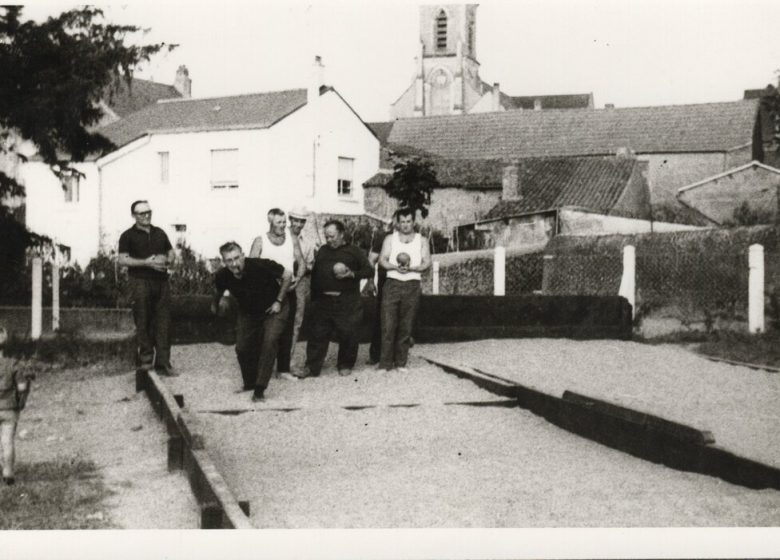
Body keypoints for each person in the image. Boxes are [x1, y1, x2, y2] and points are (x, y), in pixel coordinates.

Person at [213, 242, 292, 402]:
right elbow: (218, 290)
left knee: (269, 341)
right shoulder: (222, 275)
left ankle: (259, 390)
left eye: (237, 258)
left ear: (243, 255)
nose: (235, 264)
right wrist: (216, 305)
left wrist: (278, 300)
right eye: (229, 260)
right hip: (249, 312)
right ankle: (249, 383)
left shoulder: (260, 265)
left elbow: (288, 275)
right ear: (224, 262)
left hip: (274, 308)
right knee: (241, 347)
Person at [300, 220, 374, 378]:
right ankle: (312, 367)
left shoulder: (354, 251)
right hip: (323, 300)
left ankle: (345, 364)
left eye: (332, 236)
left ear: (341, 234)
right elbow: (316, 274)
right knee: (317, 334)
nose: (329, 240)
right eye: (326, 236)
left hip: (346, 301)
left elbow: (369, 270)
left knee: (348, 333)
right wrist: (314, 297)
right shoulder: (323, 250)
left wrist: (351, 274)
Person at [118, 200, 177, 376]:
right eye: (141, 213)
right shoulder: (127, 236)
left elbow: (170, 251)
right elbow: (122, 259)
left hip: (161, 282)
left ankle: (163, 363)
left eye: (148, 212)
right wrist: (146, 263)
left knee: (164, 322)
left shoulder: (160, 233)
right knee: (143, 321)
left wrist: (170, 259)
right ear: (134, 216)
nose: (146, 216)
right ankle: (145, 362)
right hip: (140, 281)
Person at [249, 208, 306, 379]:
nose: (282, 226)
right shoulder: (260, 241)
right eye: (278, 223)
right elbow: (251, 266)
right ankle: (259, 370)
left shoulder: (292, 239)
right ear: (270, 222)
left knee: (287, 331)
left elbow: (302, 263)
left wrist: (297, 279)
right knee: (263, 331)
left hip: (289, 289)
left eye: (284, 222)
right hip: (267, 293)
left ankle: (282, 370)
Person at [378, 209, 431, 373]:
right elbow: (382, 260)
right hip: (392, 283)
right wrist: (396, 267)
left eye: (409, 221)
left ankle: (401, 362)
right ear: (397, 223)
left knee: (406, 325)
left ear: (413, 222)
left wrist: (413, 269)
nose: (406, 225)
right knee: (388, 324)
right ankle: (385, 363)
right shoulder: (390, 238)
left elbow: (426, 262)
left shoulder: (421, 240)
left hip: (412, 284)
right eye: (402, 221)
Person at [287, 205, 319, 364]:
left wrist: (304, 267)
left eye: (301, 221)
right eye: (295, 220)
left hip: (300, 283)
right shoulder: (282, 238)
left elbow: (311, 264)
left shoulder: (307, 242)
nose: (298, 224)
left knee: (296, 322)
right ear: (290, 219)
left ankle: (287, 361)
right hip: (279, 282)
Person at [0, 326, 32, 486]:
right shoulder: (13, 364)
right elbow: (21, 388)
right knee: (7, 441)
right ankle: (8, 473)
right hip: (9, 408)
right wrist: (20, 402)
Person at [365, 223, 392, 365]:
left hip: (404, 284)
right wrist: (370, 281)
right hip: (385, 282)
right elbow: (371, 260)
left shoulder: (411, 238)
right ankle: (375, 354)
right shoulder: (383, 238)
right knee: (381, 316)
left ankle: (395, 354)